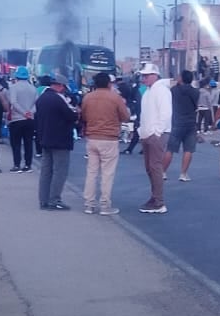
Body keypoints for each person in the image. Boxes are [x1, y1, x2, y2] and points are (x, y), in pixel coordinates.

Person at [78, 72, 129, 214]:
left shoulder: (88, 97)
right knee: (107, 173)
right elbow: (125, 116)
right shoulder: (115, 98)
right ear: (109, 83)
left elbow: (84, 115)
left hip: (92, 137)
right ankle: (105, 205)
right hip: (109, 138)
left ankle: (89, 204)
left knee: (91, 172)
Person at [34, 74, 76, 210]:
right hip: (60, 140)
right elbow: (70, 116)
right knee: (60, 171)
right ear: (60, 86)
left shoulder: (42, 98)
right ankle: (55, 200)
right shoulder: (58, 99)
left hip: (45, 139)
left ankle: (43, 200)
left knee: (46, 171)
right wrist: (76, 113)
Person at [135, 62, 172, 214]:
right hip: (147, 134)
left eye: (146, 76)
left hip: (157, 134)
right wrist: (142, 132)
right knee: (150, 168)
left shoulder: (161, 90)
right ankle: (155, 197)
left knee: (155, 167)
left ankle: (159, 202)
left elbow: (165, 114)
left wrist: (156, 132)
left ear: (155, 75)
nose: (143, 79)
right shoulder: (148, 92)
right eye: (142, 76)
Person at [165, 70, 200, 182]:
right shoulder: (195, 92)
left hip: (176, 122)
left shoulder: (174, 90)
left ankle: (163, 172)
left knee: (170, 149)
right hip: (190, 122)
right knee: (188, 149)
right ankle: (183, 174)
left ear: (182, 78)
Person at [6, 67, 37, 172]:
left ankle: (17, 165)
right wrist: (29, 113)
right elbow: (36, 104)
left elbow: (13, 103)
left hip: (16, 119)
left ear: (17, 76)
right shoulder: (33, 88)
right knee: (28, 143)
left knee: (16, 143)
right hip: (30, 120)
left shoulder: (13, 87)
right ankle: (28, 165)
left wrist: (23, 113)